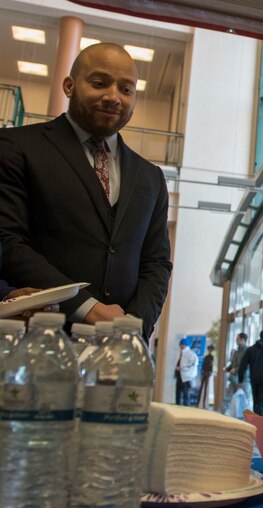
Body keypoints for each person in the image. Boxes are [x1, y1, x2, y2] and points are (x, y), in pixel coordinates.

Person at [0, 43, 172, 339]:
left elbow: (155, 262)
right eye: (99, 83)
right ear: (69, 85)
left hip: (118, 351)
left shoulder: (151, 178)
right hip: (35, 341)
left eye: (126, 89)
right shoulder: (16, 147)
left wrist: (133, 326)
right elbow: (8, 241)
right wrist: (86, 307)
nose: (113, 97)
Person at [238, 330, 263, 416]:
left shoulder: (251, 349)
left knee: (256, 401)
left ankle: (256, 422)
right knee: (262, 403)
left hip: (254, 379)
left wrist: (240, 380)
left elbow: (242, 366)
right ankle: (259, 423)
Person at [175, 340, 198, 406]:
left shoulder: (190, 354)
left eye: (181, 344)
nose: (180, 346)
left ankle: (186, 408)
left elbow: (192, 365)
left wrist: (182, 368)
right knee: (178, 393)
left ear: (184, 345)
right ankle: (177, 406)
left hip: (186, 377)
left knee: (186, 393)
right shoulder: (181, 353)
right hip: (179, 376)